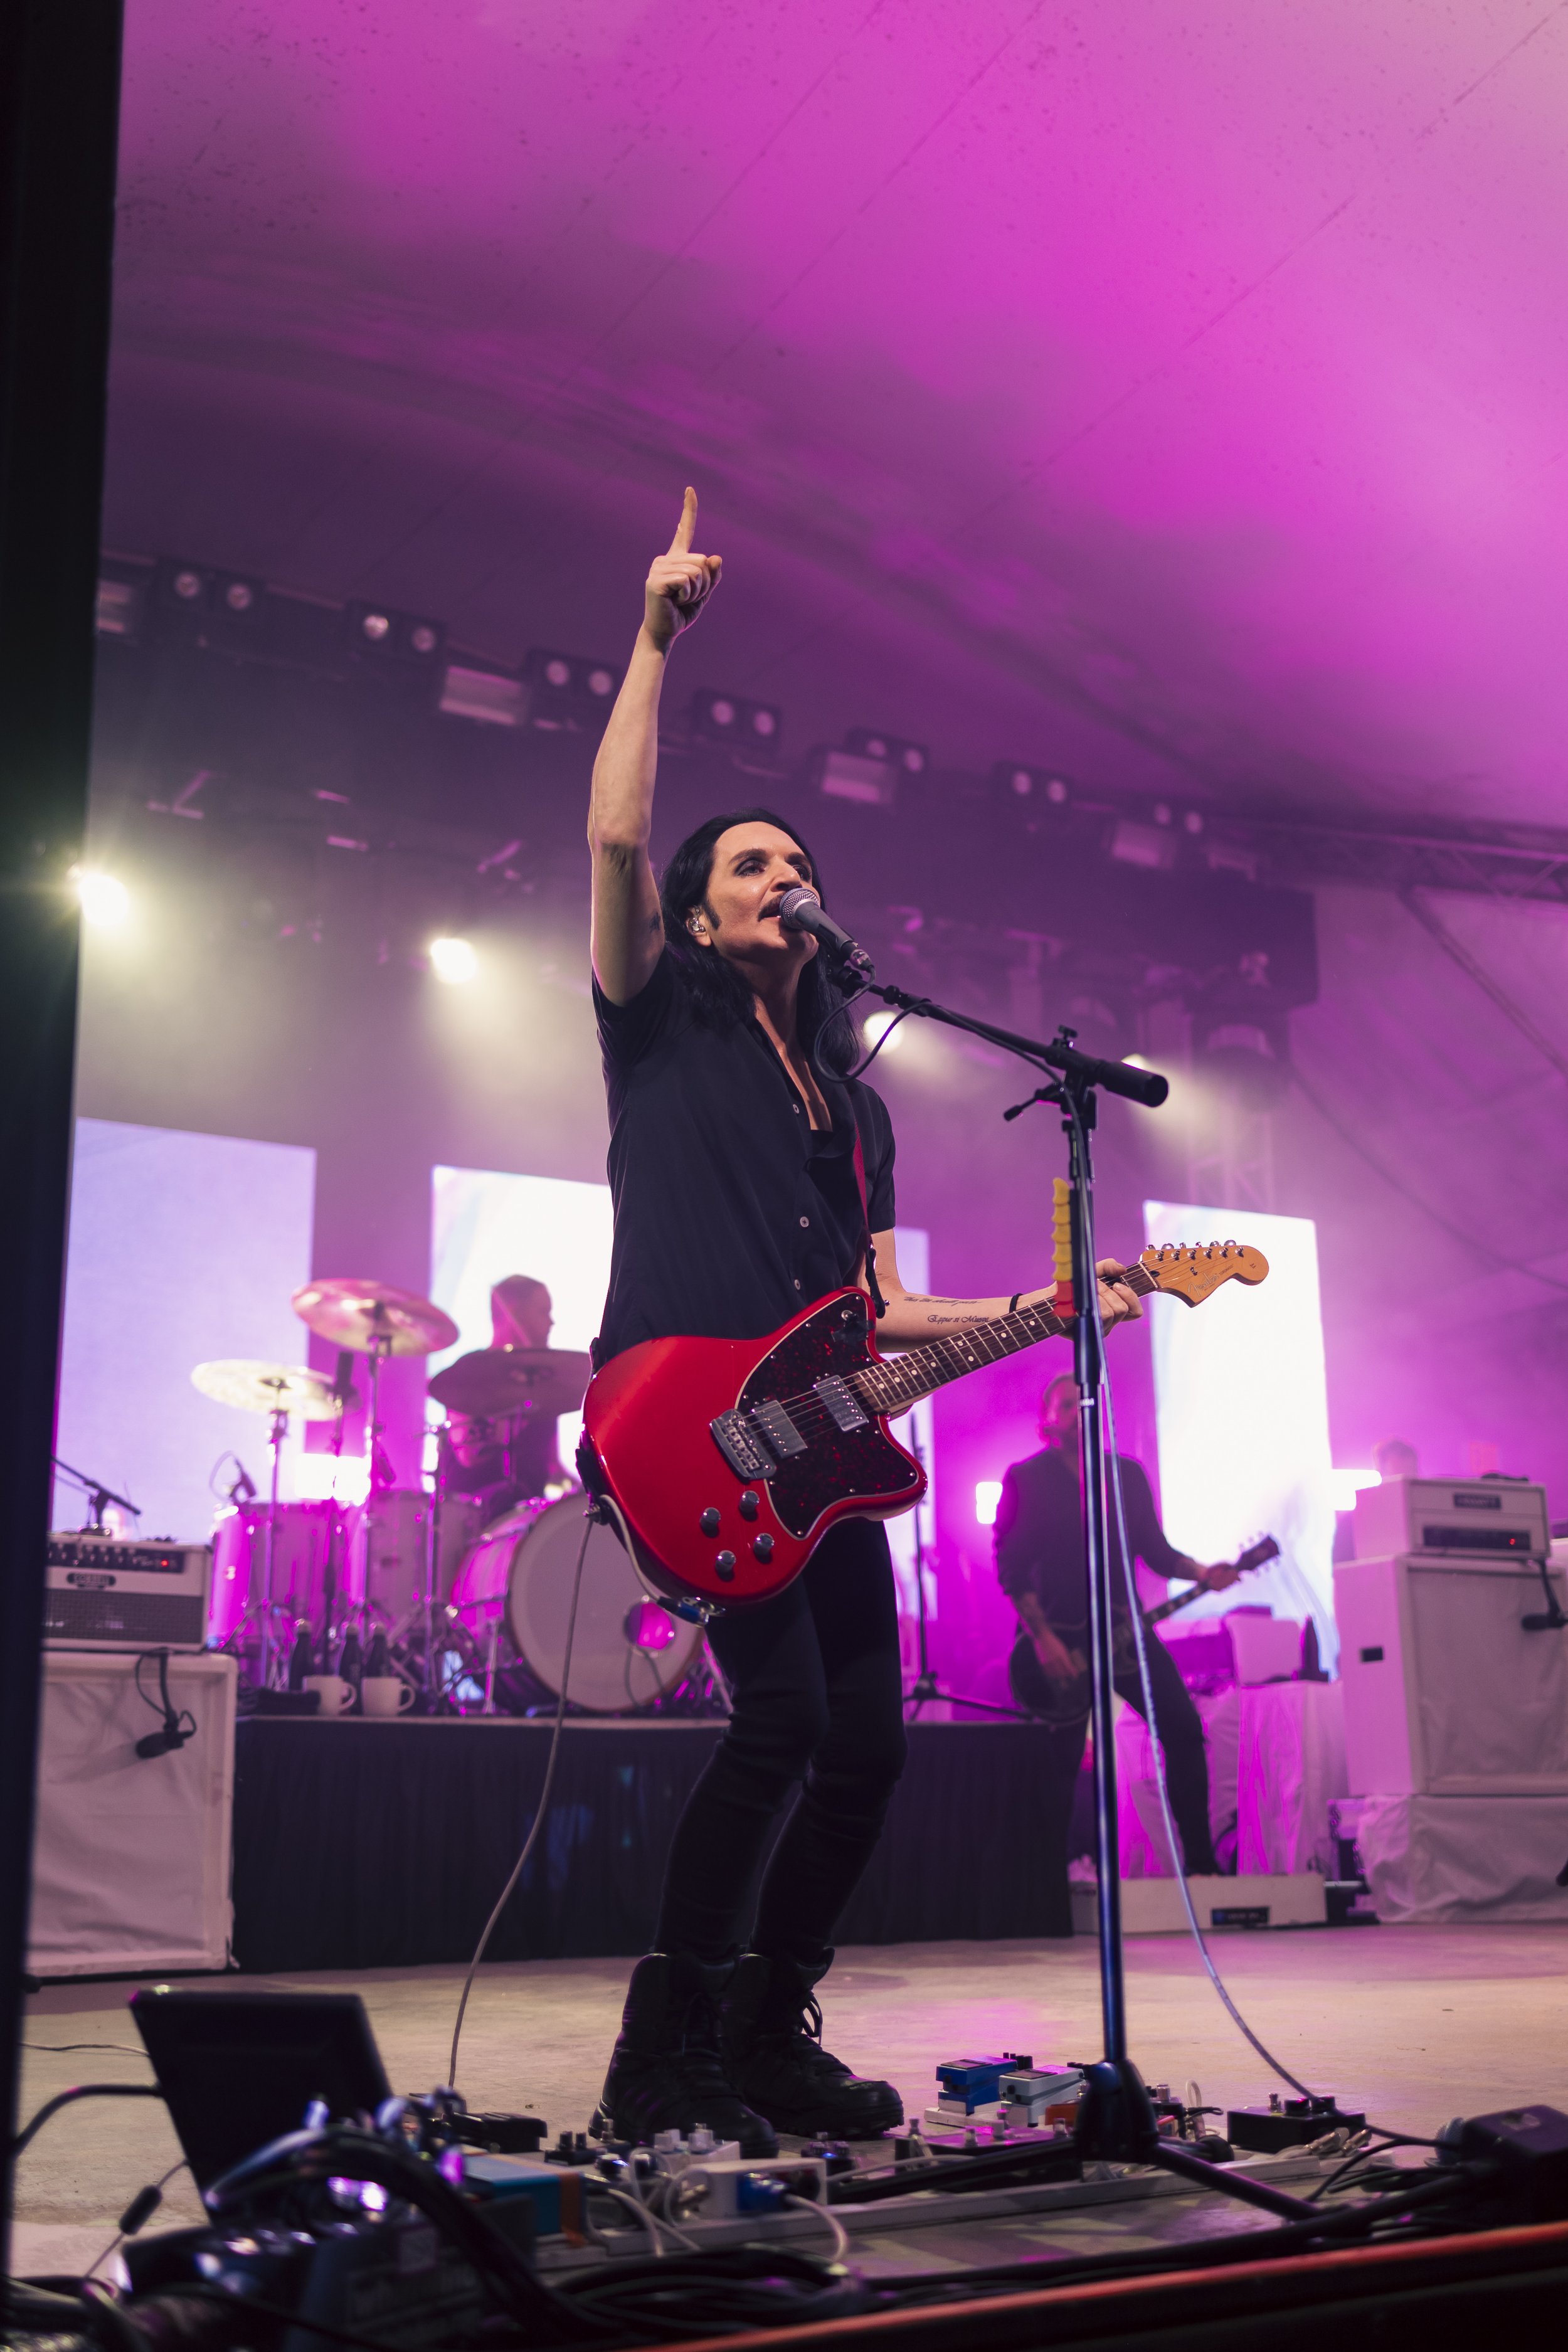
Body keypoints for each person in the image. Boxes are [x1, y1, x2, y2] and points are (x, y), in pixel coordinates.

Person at [586, 489, 1145, 2156]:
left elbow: (890, 1307)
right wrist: (651, 639)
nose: (786, 873)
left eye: (800, 860)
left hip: (812, 1441)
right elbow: (617, 841)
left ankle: (766, 2026)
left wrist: (1055, 1309)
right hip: (680, 1411)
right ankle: (658, 2049)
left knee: (866, 1748)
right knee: (777, 1720)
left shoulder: (850, 1105)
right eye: (753, 860)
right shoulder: (659, 1019)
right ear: (698, 915)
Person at [995, 1372, 1244, 1929]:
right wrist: (1043, 1639)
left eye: (1084, 1402)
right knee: (1058, 1763)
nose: (1078, 1411)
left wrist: (1203, 1572)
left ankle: (1201, 1866)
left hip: (1127, 1632)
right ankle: (1045, 1884)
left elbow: (1155, 1551)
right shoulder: (1025, 1479)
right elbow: (1009, 1568)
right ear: (1047, 1420)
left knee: (1182, 1728)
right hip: (1057, 1642)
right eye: (1065, 1404)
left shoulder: (1124, 1475)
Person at [437, 1276, 568, 1521]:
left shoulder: (546, 1384)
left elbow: (552, 1467)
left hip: (527, 1522)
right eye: (543, 1312)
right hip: (474, 1520)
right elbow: (469, 1455)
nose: (551, 1322)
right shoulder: (471, 1371)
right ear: (513, 1314)